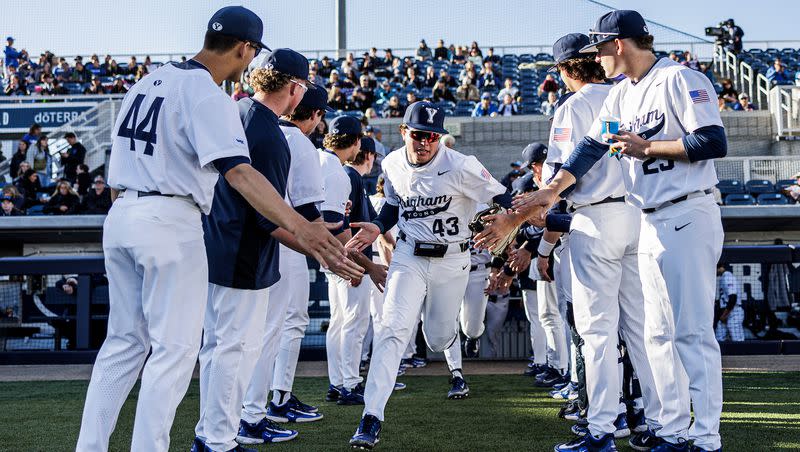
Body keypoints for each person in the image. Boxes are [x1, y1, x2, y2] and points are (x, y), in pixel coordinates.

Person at [76, 8, 353, 452]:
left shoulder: (147, 81)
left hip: (123, 212)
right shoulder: (206, 93)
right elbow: (239, 174)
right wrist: (302, 226)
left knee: (123, 345)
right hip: (171, 219)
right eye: (251, 53)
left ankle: (89, 447)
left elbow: (114, 176)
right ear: (245, 49)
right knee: (175, 352)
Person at [484, 10, 726, 451]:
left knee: (690, 332)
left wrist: (648, 146)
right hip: (646, 215)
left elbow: (713, 141)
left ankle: (706, 438)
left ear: (619, 44)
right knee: (653, 333)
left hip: (688, 211)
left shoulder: (677, 78)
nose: (596, 57)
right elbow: (590, 148)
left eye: (600, 48)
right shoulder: (620, 95)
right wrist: (549, 193)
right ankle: (670, 430)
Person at [345, 102, 509, 449]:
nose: (425, 143)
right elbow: (393, 203)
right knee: (391, 330)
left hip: (453, 260)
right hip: (409, 256)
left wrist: (505, 223)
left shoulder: (462, 165)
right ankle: (371, 416)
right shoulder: (391, 163)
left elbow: (501, 197)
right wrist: (377, 226)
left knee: (437, 338)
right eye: (419, 135)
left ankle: (456, 339)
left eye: (432, 137)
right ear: (404, 132)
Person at [258, 83, 334, 427]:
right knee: (286, 324)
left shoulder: (265, 129)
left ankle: (265, 402)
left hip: (257, 237)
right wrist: (331, 253)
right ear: (316, 114)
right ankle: (276, 399)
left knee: (261, 328)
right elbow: (308, 210)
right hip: (287, 239)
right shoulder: (300, 143)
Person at [320, 118, 387, 407]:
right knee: (353, 323)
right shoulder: (351, 176)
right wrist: (360, 264)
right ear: (366, 152)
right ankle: (349, 383)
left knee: (339, 322)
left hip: (333, 256)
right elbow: (352, 229)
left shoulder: (336, 170)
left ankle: (338, 382)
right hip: (349, 258)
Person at [715, 263, 743, 342]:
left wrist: (724, 315)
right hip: (727, 311)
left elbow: (733, 298)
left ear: (720, 267)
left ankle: (742, 354)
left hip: (734, 311)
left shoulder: (727, 276)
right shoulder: (723, 277)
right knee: (719, 338)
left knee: (737, 340)